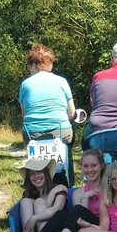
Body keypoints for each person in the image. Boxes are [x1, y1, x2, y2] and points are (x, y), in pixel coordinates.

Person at [19, 44, 76, 185]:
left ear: (33, 65)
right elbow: (72, 112)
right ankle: (67, 179)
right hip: (61, 131)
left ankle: (35, 180)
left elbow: (24, 114)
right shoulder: (61, 81)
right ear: (49, 64)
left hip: (33, 134)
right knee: (68, 143)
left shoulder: (26, 84)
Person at [19, 158, 68, 232]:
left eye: (39, 172)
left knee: (39, 202)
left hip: (54, 231)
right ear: (28, 178)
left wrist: (34, 218)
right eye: (32, 174)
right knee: (25, 201)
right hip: (32, 231)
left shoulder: (58, 189)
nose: (36, 176)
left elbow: (57, 209)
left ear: (46, 173)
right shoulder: (28, 194)